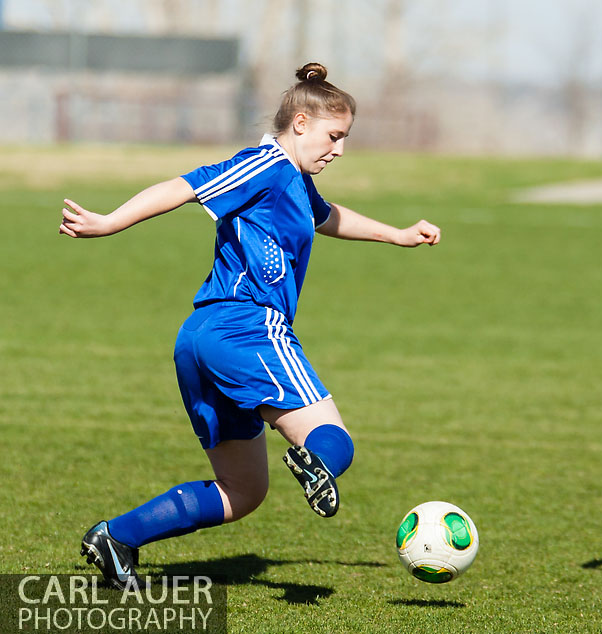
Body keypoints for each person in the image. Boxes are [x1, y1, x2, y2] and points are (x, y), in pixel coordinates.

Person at [62, 63, 441, 590]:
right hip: (247, 328)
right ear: (301, 123)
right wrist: (107, 222)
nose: (339, 149)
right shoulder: (265, 164)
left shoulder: (295, 181)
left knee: (242, 491)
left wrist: (396, 235)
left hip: (199, 340)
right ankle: (314, 463)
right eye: (335, 136)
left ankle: (117, 536)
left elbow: (325, 216)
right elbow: (184, 187)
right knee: (336, 442)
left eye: (346, 138)